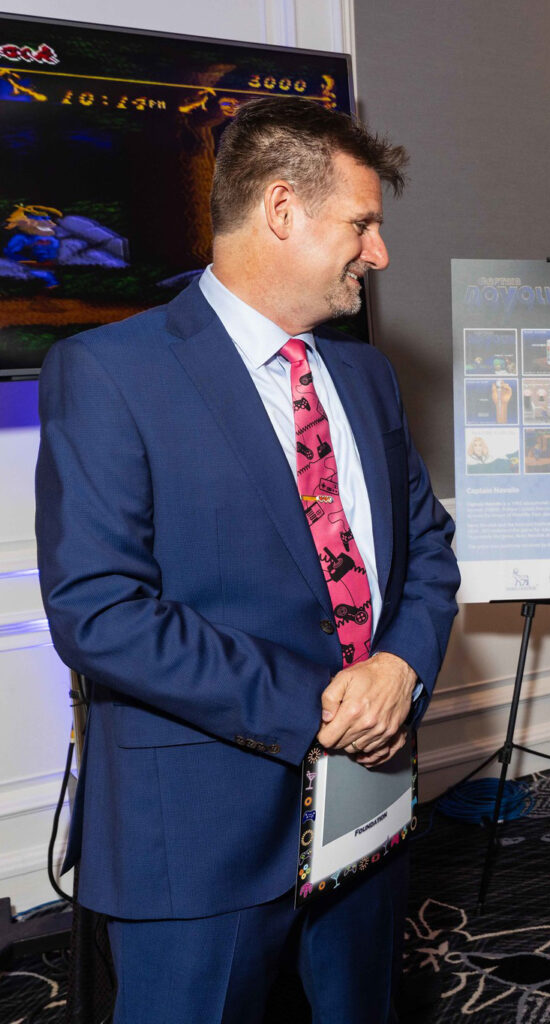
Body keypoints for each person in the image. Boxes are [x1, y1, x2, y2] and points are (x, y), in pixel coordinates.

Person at [35, 96, 460, 1023]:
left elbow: (427, 547)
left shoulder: (366, 374)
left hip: (366, 816)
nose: (378, 253)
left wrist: (400, 665)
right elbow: (99, 610)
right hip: (199, 838)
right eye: (363, 224)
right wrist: (315, 708)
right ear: (281, 210)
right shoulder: (108, 372)